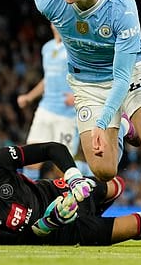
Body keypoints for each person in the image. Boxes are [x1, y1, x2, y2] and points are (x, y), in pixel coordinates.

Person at [18, 0, 141, 250]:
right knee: (105, 170)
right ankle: (127, 130)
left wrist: (104, 122)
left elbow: (120, 79)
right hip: (87, 84)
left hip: (130, 75)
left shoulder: (122, 8)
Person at [0, 142, 141, 246]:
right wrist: (48, 223)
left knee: (115, 184)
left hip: (60, 190)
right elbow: (21, 242)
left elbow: (52, 149)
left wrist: (74, 179)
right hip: (62, 232)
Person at [17, 24, 92, 179]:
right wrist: (29, 97)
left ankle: (91, 172)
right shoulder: (47, 48)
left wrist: (78, 96)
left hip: (67, 115)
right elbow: (48, 79)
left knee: (62, 167)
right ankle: (32, 200)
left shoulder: (75, 46)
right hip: (45, 109)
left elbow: (89, 73)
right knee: (31, 160)